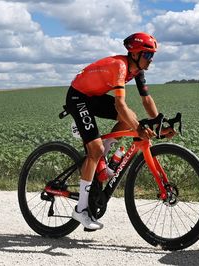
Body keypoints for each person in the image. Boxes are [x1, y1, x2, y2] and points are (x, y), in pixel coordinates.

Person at [65, 32, 174, 230]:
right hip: (78, 98)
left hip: (93, 97)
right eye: (148, 55)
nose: (151, 60)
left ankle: (102, 157)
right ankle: (81, 210)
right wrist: (139, 128)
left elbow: (146, 100)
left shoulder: (138, 70)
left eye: (152, 56)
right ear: (135, 54)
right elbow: (120, 105)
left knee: (127, 118)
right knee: (96, 149)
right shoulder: (120, 66)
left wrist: (159, 123)